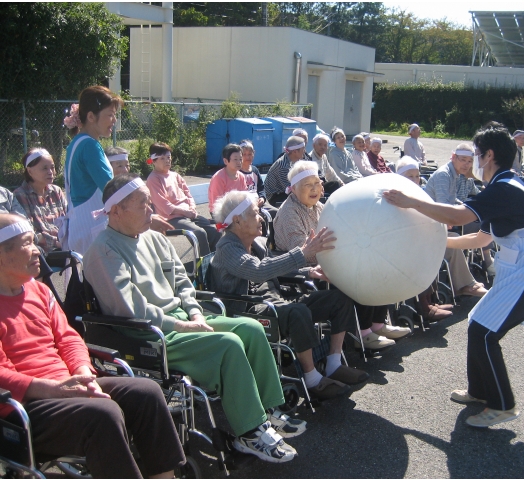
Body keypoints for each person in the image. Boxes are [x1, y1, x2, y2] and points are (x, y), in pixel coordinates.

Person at [83, 174, 302, 463]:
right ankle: (249, 432)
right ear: (116, 211)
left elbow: (182, 282)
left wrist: (194, 311)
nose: (151, 210)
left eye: (150, 202)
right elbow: (131, 308)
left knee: (250, 329)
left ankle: (268, 408)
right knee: (228, 344)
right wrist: (182, 324)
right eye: (143, 204)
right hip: (148, 334)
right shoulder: (103, 250)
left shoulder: (153, 237)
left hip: (181, 317)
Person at [383, 123, 524, 428]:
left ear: (489, 155)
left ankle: (502, 405)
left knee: (485, 332)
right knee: (478, 324)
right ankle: (481, 390)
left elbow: (458, 216)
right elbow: (481, 238)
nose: (475, 163)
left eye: (478, 155)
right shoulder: (509, 185)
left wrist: (412, 202)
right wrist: (438, 242)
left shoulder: (504, 188)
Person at [0, 213, 186, 478]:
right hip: (24, 407)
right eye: (27, 243)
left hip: (66, 384)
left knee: (147, 392)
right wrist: (54, 390)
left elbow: (68, 338)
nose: (37, 250)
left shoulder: (39, 291)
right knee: (104, 414)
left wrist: (83, 374)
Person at [211, 189, 373, 399]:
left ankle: (333, 364)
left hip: (274, 299)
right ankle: (312, 379)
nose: (261, 218)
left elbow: (272, 267)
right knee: (297, 312)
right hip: (248, 309)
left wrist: (308, 272)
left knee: (339, 298)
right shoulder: (227, 248)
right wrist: (303, 253)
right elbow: (258, 271)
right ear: (237, 221)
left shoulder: (256, 243)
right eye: (255, 213)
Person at [273, 161, 410, 347]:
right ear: (294, 189)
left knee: (374, 263)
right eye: (307, 185)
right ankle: (361, 332)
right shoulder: (289, 213)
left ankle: (377, 324)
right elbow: (301, 251)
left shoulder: (319, 206)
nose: (314, 189)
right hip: (306, 269)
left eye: (317, 183)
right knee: (359, 272)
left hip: (329, 258)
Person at [62, 85, 170, 254]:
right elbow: (114, 189)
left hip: (81, 225)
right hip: (92, 229)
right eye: (110, 115)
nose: (114, 120)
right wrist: (147, 216)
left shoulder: (77, 142)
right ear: (91, 116)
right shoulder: (90, 146)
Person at [424, 145, 490, 297]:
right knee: (455, 239)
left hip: (436, 225)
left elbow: (452, 202)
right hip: (428, 227)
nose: (466, 164)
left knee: (464, 235)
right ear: (453, 157)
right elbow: (443, 208)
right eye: (463, 160)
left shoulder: (453, 174)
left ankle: (467, 282)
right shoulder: (444, 175)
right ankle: (466, 285)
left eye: (470, 161)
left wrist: (468, 208)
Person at [395, 158, 454, 322]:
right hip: (399, 245)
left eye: (417, 176)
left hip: (417, 239)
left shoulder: (419, 194)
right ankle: (424, 307)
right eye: (410, 176)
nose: (415, 180)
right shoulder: (396, 196)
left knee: (430, 254)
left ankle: (431, 301)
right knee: (421, 258)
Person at [146, 142, 220, 255]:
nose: (167, 161)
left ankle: (216, 259)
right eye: (162, 158)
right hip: (172, 218)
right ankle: (204, 263)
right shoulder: (153, 179)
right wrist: (186, 212)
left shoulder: (175, 175)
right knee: (199, 233)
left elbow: (187, 194)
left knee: (215, 231)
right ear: (154, 161)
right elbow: (164, 205)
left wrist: (192, 208)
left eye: (168, 157)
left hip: (189, 214)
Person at [11, 148, 67, 253]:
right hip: (43, 253)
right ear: (30, 171)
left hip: (66, 246)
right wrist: (57, 243)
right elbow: (29, 232)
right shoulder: (20, 195)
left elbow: (69, 220)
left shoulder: (56, 191)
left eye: (52, 167)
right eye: (44, 168)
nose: (50, 172)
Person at [264, 136, 307, 206]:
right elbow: (291, 188)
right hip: (275, 197)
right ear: (295, 151)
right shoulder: (282, 165)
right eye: (303, 149)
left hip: (284, 191)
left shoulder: (292, 160)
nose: (304, 151)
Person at [208, 143, 247, 216]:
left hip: (238, 210)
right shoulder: (219, 178)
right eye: (235, 159)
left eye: (240, 159)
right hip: (220, 213)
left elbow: (245, 197)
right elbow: (216, 204)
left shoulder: (241, 176)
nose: (239, 162)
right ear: (226, 161)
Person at [239, 139, 267, 207]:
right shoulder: (237, 172)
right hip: (243, 205)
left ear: (253, 153)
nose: (247, 157)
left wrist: (262, 198)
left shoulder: (255, 170)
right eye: (244, 154)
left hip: (257, 202)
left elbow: (261, 188)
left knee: (276, 211)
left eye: (250, 154)